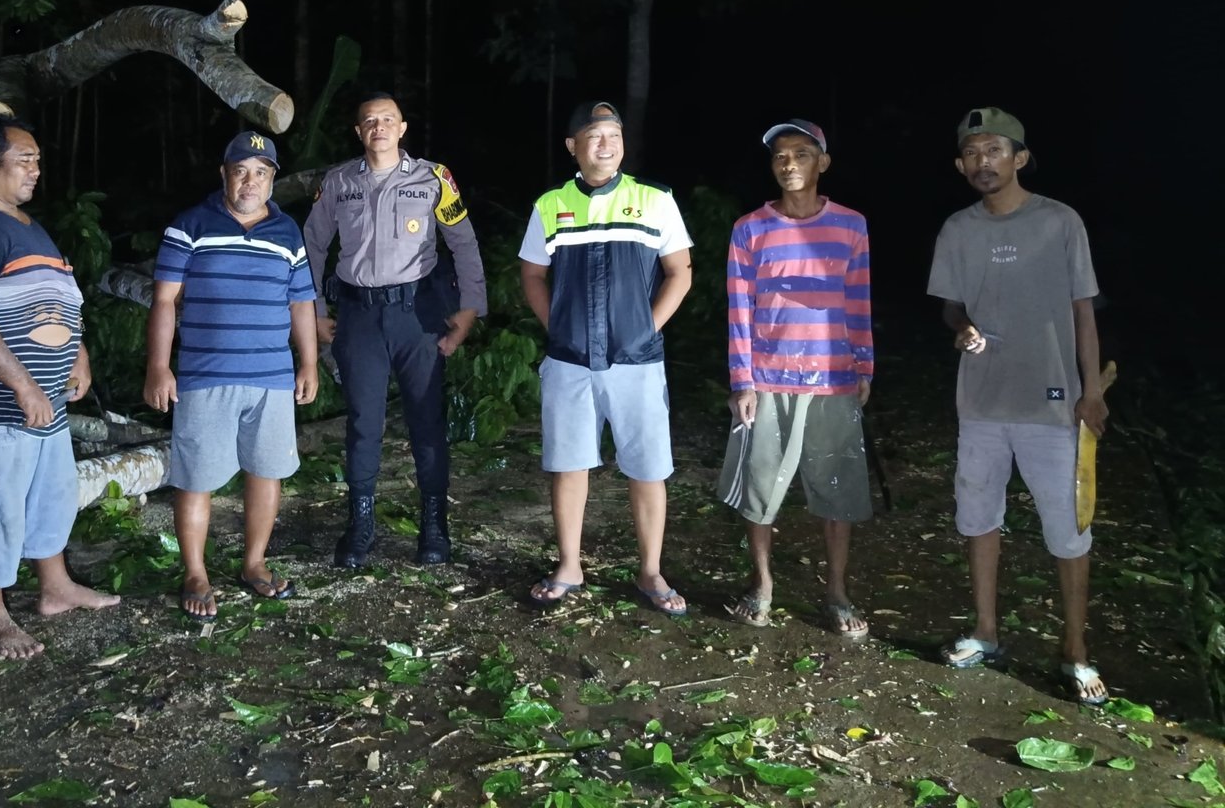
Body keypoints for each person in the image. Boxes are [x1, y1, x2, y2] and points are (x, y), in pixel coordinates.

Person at [927, 107, 1110, 706]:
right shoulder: (957, 229)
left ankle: (1075, 649)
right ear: (960, 166)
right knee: (978, 516)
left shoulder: (1059, 222)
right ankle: (986, 632)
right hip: (981, 402)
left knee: (1068, 528)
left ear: (1020, 158)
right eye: (972, 153)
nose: (983, 162)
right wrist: (962, 326)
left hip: (1052, 404)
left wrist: (1090, 391)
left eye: (995, 151)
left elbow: (1083, 310)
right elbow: (951, 304)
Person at [0, 113, 120, 659]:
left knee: (50, 500)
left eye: (38, 161)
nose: (36, 170)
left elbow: (63, 299)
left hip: (49, 406)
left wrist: (79, 354)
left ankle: (56, 587)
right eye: (25, 160)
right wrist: (24, 386)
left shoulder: (28, 226)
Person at [518, 100, 693, 614]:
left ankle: (651, 571)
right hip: (569, 362)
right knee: (569, 464)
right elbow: (532, 274)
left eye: (613, 135)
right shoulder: (550, 204)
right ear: (572, 146)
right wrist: (557, 327)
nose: (606, 144)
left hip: (637, 362)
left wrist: (645, 329)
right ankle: (569, 565)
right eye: (594, 136)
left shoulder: (654, 199)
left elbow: (680, 272)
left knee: (648, 467)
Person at [302, 93, 487, 567]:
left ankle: (434, 526)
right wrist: (314, 310)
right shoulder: (339, 182)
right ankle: (360, 525)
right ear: (359, 131)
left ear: (402, 128)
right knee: (363, 424)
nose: (379, 127)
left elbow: (463, 244)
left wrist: (469, 309)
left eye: (388, 119)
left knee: (426, 421)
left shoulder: (433, 179)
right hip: (359, 316)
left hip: (416, 315)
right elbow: (312, 246)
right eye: (369, 121)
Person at [145, 131, 319, 621]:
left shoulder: (287, 232)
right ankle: (195, 573)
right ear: (224, 174)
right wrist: (159, 366)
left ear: (272, 180)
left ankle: (254, 563)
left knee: (266, 472)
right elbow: (164, 300)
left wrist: (308, 362)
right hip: (205, 375)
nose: (250, 181)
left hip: (272, 376)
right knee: (195, 477)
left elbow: (301, 302)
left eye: (261, 173)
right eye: (241, 171)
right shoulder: (190, 225)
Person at [717, 119, 875, 638]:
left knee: (837, 492)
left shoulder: (851, 225)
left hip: (833, 378)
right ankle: (762, 586)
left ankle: (837, 592)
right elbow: (739, 309)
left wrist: (864, 364)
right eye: (780, 156)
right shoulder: (750, 229)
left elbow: (858, 299)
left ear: (822, 163)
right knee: (760, 487)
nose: (789, 163)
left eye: (802, 154)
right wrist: (743, 380)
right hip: (768, 379)